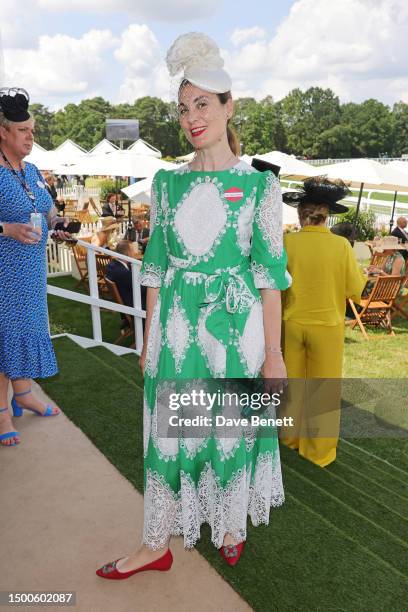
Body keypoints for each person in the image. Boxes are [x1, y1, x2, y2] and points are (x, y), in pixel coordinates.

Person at [96, 32, 291, 579]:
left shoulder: (259, 187)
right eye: (184, 108)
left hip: (235, 331)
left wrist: (272, 356)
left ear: (230, 106)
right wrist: (149, 336)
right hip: (176, 331)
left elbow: (270, 277)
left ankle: (231, 524)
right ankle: (154, 542)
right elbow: (153, 267)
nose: (191, 117)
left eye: (203, 103)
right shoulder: (165, 184)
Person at [0, 87, 72, 447]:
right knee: (4, 339)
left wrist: (59, 223)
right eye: (24, 131)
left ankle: (23, 394)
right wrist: (5, 228)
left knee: (25, 332)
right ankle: (0, 413)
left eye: (33, 131)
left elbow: (47, 209)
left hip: (29, 275)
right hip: (3, 275)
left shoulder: (30, 171)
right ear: (3, 132)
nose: (31, 138)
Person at [280, 176, 366, 468]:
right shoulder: (341, 246)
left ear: (300, 214)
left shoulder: (286, 242)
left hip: (291, 323)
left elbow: (277, 285)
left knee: (291, 385)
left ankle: (288, 439)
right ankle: (318, 452)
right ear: (326, 215)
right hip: (327, 326)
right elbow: (356, 289)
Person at [105, 240, 147, 331]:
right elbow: (142, 289)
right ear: (128, 253)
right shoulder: (123, 273)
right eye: (133, 250)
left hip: (125, 304)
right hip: (134, 307)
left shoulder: (112, 266)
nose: (135, 252)